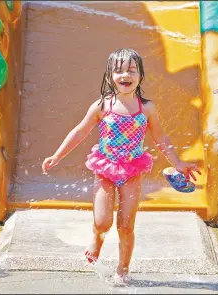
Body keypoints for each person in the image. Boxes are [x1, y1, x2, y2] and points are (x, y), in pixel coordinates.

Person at [42, 48, 201, 284]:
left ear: (140, 76)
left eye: (131, 70)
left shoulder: (147, 108)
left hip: (133, 170)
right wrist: (57, 155)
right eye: (118, 71)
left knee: (126, 225)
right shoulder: (101, 106)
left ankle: (123, 270)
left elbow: (161, 138)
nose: (125, 74)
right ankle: (97, 237)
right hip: (105, 168)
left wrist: (178, 163)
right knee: (103, 221)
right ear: (109, 77)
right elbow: (80, 132)